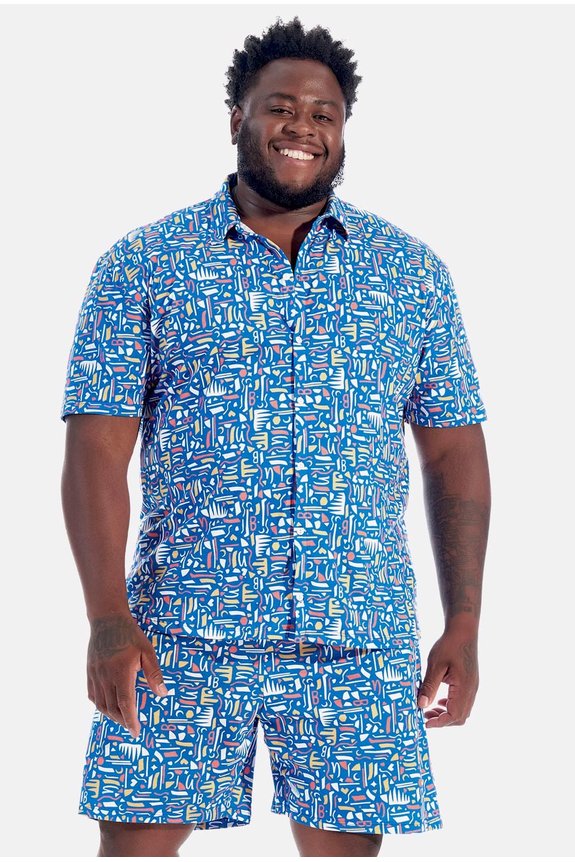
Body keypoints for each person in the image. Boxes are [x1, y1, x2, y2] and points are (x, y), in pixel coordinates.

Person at [60, 15, 491, 858]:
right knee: (135, 847)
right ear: (238, 119)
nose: (303, 127)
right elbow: (95, 455)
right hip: (179, 630)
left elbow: (453, 453)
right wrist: (107, 616)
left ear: (343, 130)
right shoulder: (144, 263)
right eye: (280, 108)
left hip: (356, 631)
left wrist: (465, 622)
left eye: (324, 113)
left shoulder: (409, 274)